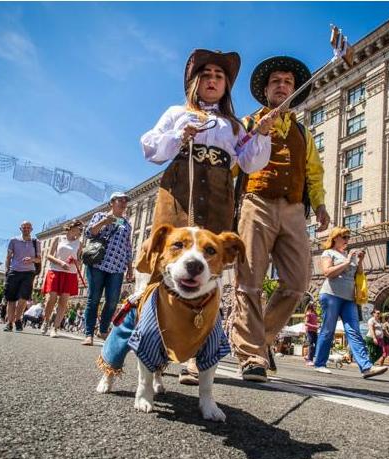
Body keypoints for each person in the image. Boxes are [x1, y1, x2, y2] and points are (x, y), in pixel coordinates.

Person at [127, 48, 273, 385]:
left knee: (208, 272)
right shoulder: (177, 112)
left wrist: (262, 132)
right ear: (195, 82)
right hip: (180, 191)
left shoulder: (234, 125)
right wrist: (180, 136)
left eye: (219, 77)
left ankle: (194, 357)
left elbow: (251, 162)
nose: (212, 80)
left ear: (225, 87)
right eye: (206, 75)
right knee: (166, 266)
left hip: (219, 195)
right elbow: (150, 147)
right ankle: (154, 348)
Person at [231, 55, 331, 383]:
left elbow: (313, 171)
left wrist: (319, 204)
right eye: (276, 82)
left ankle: (261, 339)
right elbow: (232, 161)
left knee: (298, 282)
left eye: (288, 82)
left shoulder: (303, 131)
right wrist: (253, 135)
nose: (283, 86)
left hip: (292, 210)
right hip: (255, 202)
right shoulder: (248, 121)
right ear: (266, 89)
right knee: (249, 281)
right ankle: (250, 355)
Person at [311, 227, 388, 378]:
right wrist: (347, 261)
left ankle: (366, 367)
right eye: (344, 237)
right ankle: (320, 363)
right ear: (335, 238)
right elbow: (327, 272)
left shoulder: (347, 254)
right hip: (331, 295)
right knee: (328, 329)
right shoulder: (329, 253)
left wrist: (359, 261)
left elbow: (358, 274)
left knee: (354, 331)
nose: (347, 240)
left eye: (348, 237)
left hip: (349, 298)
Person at [82, 193, 133, 346]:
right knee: (94, 299)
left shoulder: (127, 224)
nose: (124, 203)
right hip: (98, 263)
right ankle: (89, 333)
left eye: (126, 201)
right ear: (112, 202)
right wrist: (104, 222)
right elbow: (89, 233)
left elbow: (128, 247)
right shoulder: (100, 215)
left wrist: (130, 267)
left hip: (117, 267)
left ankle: (103, 330)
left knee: (112, 301)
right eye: (120, 200)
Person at [41, 220, 83, 338]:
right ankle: (45, 321)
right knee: (51, 299)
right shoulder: (58, 238)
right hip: (55, 271)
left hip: (70, 273)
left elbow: (79, 260)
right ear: (72, 227)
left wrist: (76, 262)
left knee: (63, 302)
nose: (81, 231)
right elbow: (49, 255)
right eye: (80, 228)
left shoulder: (79, 244)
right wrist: (60, 262)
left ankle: (55, 328)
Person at [3, 220, 41, 332]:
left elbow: (39, 259)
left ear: (32, 229)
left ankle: (18, 319)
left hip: (29, 273)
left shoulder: (36, 242)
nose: (26, 229)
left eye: (28, 227)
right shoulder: (13, 240)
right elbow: (8, 257)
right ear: (20, 229)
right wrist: (7, 270)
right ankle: (9, 322)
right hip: (14, 271)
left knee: (23, 298)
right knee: (11, 298)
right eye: (24, 227)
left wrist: (32, 259)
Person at [303, 302, 319, 367]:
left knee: (317, 345)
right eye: (314, 306)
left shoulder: (315, 314)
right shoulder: (308, 314)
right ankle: (309, 360)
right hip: (310, 331)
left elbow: (315, 322)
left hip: (315, 331)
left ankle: (308, 356)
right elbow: (306, 323)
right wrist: (315, 326)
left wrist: (318, 325)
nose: (316, 307)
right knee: (311, 345)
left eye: (316, 306)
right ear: (311, 306)